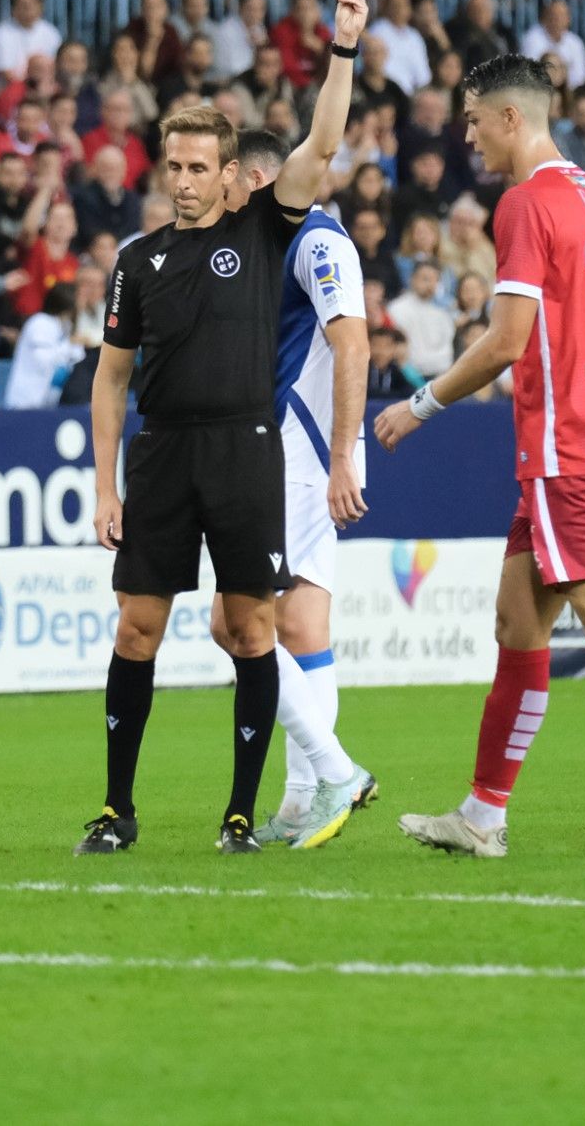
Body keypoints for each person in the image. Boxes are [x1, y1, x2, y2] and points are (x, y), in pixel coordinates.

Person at [375, 54, 585, 862]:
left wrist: (419, 404)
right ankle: (482, 815)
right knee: (517, 623)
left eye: (471, 121)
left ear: (510, 119)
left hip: (569, 451)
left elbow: (505, 341)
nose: (466, 137)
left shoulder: (526, 205)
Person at [82, 0, 369, 858]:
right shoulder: (136, 260)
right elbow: (110, 379)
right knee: (139, 626)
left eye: (200, 166)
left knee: (248, 628)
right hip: (162, 456)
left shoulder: (266, 231)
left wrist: (344, 47)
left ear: (232, 173)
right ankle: (115, 808)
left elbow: (323, 141)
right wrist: (106, 485)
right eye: (173, 165)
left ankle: (242, 815)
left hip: (248, 453)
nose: (185, 180)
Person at [187, 129, 376, 849]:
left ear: (261, 180)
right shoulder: (271, 249)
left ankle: (334, 769)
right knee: (301, 629)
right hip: (301, 452)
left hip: (300, 455)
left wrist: (339, 458)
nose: (224, 197)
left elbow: (352, 343)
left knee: (234, 622)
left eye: (231, 183)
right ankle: (303, 800)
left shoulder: (317, 242)